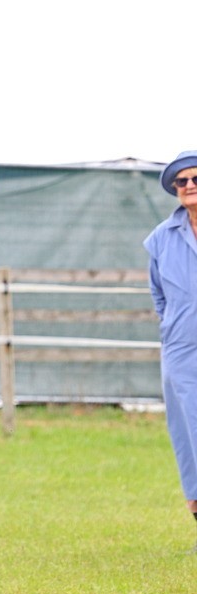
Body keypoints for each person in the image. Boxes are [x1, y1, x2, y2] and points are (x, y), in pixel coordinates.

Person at [145, 150, 197, 549]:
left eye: (196, 179)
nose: (190, 186)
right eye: (182, 182)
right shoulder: (162, 238)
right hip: (181, 347)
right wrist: (171, 326)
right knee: (188, 432)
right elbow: (158, 293)